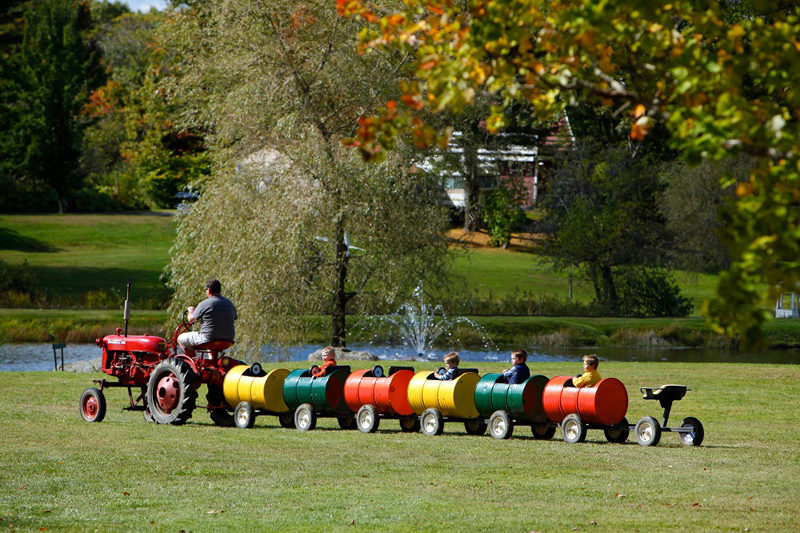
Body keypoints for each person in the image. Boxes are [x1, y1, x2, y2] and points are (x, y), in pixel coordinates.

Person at [178, 279, 237, 355]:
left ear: (208, 290)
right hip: (228, 340)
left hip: (209, 339)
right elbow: (233, 318)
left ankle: (192, 361)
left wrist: (191, 310)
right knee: (211, 338)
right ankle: (212, 361)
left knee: (180, 338)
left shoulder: (204, 304)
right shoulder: (230, 304)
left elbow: (191, 319)